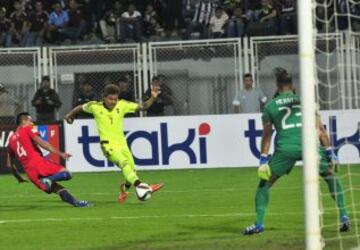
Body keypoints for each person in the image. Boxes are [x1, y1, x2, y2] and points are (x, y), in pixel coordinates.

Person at [242, 73, 350, 235]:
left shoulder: (270, 106)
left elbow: (267, 134)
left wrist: (263, 159)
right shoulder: (306, 100)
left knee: (265, 183)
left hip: (286, 149)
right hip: (310, 146)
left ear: (277, 88)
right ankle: (344, 216)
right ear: (293, 87)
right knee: (330, 176)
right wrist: (330, 152)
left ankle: (259, 225)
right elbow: (320, 130)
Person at [64, 83, 164, 203]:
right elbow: (80, 107)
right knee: (124, 164)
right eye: (110, 99)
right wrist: (70, 115)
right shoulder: (95, 106)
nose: (113, 102)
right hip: (108, 145)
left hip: (122, 144)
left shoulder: (122, 105)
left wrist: (153, 97)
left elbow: (143, 106)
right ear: (104, 97)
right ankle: (142, 186)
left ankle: (125, 189)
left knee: (131, 168)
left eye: (115, 99)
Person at [6, 112, 92, 207]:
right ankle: (49, 179)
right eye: (30, 121)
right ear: (24, 121)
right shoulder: (27, 128)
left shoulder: (11, 140)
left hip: (30, 173)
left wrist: (19, 178)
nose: (32, 123)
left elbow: (9, 164)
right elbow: (42, 143)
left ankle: (77, 203)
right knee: (67, 173)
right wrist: (60, 153)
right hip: (38, 163)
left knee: (57, 189)